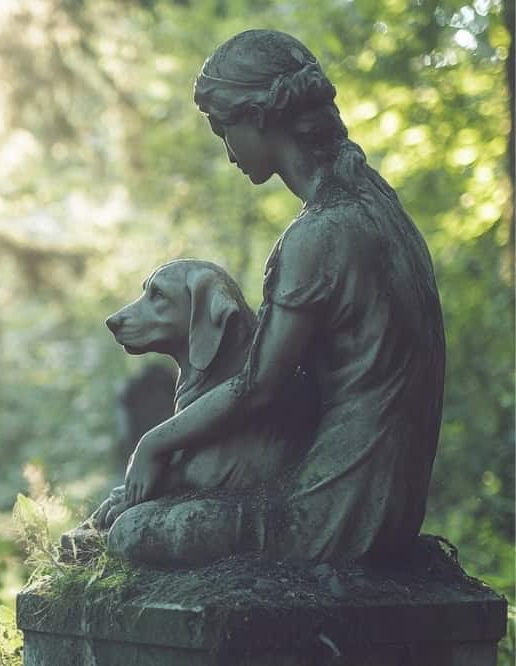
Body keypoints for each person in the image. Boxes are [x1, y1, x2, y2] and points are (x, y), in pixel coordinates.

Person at [113, 29, 445, 564]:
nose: (228, 152)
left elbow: (259, 387)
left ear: (258, 117)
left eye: (224, 129)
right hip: (394, 499)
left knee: (131, 532)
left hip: (334, 505)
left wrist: (155, 443)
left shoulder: (319, 234)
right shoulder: (382, 208)